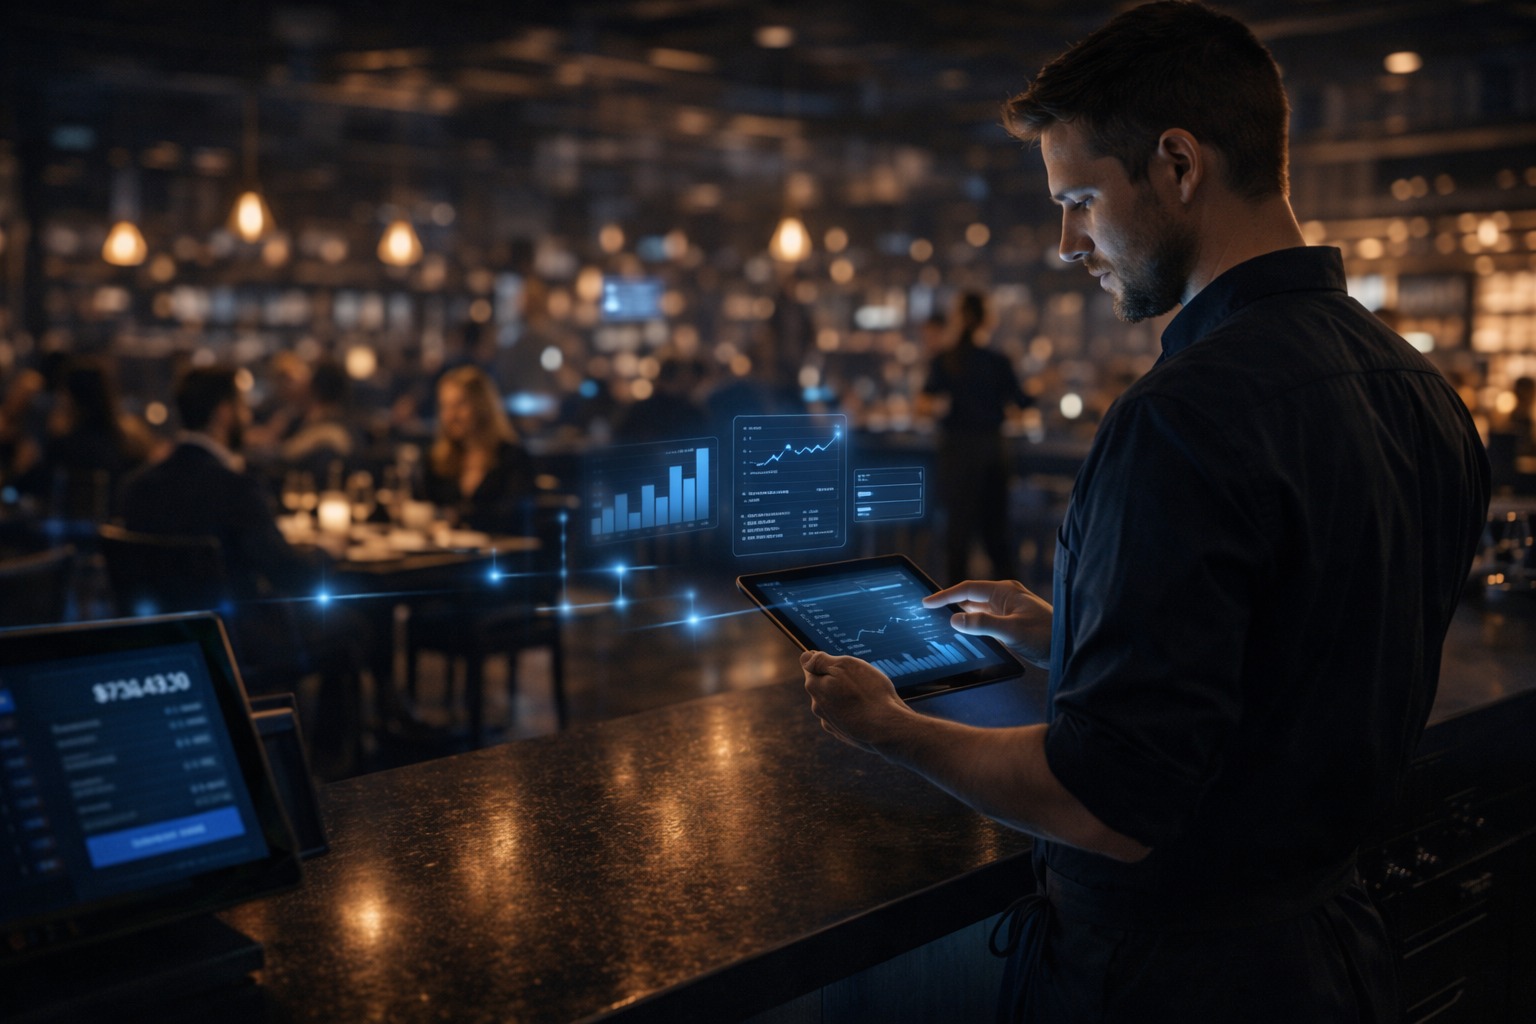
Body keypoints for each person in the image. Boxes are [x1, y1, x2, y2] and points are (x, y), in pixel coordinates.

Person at [800, 4, 1490, 1022]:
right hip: (1335, 959)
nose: (1069, 241)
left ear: (1176, 164)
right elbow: (1300, 653)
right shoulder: (1419, 391)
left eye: (1080, 198)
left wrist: (891, 727)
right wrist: (1072, 628)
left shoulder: (1182, 416)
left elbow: (1106, 802)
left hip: (1170, 983)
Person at [919, 291, 1031, 581]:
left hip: (956, 454)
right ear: (987, 319)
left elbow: (923, 404)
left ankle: (953, 614)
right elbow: (1022, 403)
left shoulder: (945, 360)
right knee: (997, 539)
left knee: (957, 541)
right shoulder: (998, 361)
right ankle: (1010, 614)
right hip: (992, 453)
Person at [422, 365, 532, 533]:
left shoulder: (511, 458)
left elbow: (514, 519)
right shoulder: (437, 461)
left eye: (460, 405)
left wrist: (459, 518)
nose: (451, 416)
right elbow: (422, 510)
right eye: (446, 406)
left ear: (482, 406)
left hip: (498, 556)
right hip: (445, 557)